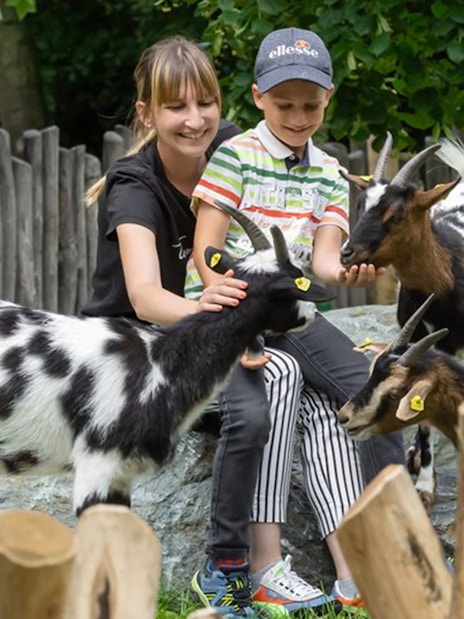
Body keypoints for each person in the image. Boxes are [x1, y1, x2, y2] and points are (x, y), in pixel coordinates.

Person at [82, 35, 314, 619]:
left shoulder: (236, 148)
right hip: (141, 349)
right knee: (266, 390)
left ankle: (359, 560)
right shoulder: (134, 187)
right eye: (176, 107)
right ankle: (225, 568)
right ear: (147, 114)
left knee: (336, 380)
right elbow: (147, 297)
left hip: (217, 326)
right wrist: (232, 324)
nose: (195, 120)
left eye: (205, 103)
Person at [188, 26, 406, 616]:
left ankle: (382, 549)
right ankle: (259, 563)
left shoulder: (330, 172)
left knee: (375, 388)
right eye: (284, 104)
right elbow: (205, 250)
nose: (298, 115)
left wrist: (355, 272)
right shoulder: (234, 155)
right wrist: (225, 309)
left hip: (295, 311)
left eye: (310, 104)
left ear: (327, 99)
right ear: (258, 97)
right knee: (279, 380)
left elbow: (329, 260)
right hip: (230, 308)